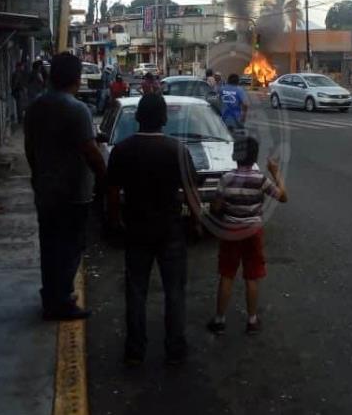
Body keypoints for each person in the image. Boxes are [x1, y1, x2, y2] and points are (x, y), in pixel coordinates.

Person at [106, 94, 199, 366]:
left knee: (136, 292)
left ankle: (135, 351)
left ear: (138, 118)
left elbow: (112, 193)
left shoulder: (122, 150)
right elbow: (191, 194)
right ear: (164, 119)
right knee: (175, 292)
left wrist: (115, 221)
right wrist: (196, 222)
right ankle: (175, 349)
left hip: (136, 229)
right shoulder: (177, 150)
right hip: (170, 231)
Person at [24, 53, 107, 320]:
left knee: (50, 246)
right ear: (76, 77)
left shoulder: (36, 106)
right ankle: (62, 301)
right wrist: (106, 178)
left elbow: (30, 148)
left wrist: (39, 174)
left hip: (45, 190)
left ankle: (52, 297)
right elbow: (91, 152)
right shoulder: (77, 109)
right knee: (71, 248)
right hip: (73, 193)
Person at [206, 136, 288, 336]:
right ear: (254, 157)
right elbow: (283, 197)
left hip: (231, 232)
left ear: (235, 155)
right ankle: (252, 320)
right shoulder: (260, 179)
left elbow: (216, 207)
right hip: (253, 232)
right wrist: (275, 173)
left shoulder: (226, 179)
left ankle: (219, 320)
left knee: (227, 274)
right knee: (252, 275)